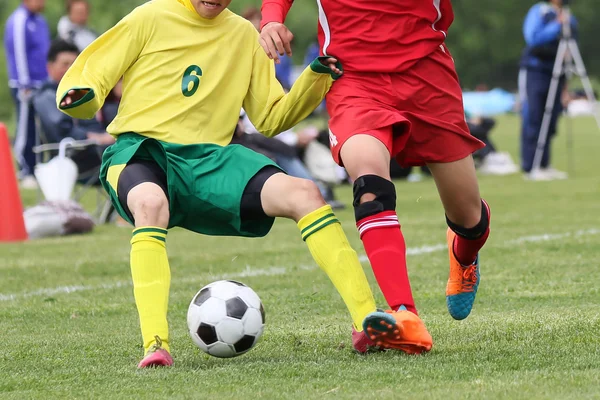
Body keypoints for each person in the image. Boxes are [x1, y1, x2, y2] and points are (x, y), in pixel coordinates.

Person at [57, 0, 425, 368]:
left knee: (305, 194)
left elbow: (269, 117)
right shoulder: (150, 16)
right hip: (140, 151)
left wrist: (316, 77)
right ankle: (156, 345)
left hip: (211, 161)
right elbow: (93, 73)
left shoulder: (245, 35)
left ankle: (365, 321)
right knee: (151, 205)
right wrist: (79, 98)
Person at [259, 0, 492, 354]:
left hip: (426, 72)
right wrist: (272, 20)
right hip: (353, 78)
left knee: (468, 217)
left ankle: (463, 251)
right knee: (369, 183)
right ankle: (405, 315)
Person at [32, 39, 114, 180]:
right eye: (65, 64)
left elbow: (93, 123)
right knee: (129, 157)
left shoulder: (78, 93)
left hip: (92, 152)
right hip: (72, 157)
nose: (70, 69)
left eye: (74, 64)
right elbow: (63, 131)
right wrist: (99, 138)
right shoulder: (46, 97)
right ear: (50, 67)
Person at [519, 0, 577, 180]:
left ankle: (544, 164)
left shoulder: (570, 17)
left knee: (550, 119)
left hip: (557, 71)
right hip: (536, 71)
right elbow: (533, 38)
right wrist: (556, 25)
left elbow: (572, 42)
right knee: (534, 116)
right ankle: (531, 166)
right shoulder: (539, 11)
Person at [3, 0, 50, 188]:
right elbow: (18, 53)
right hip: (25, 85)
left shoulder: (40, 21)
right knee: (26, 128)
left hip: (41, 83)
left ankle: (37, 168)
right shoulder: (19, 20)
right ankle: (25, 169)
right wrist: (24, 83)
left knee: (39, 128)